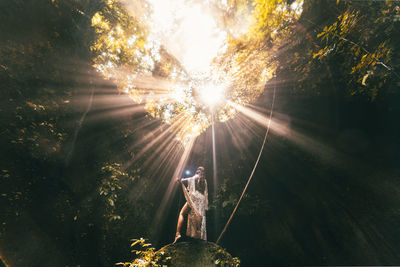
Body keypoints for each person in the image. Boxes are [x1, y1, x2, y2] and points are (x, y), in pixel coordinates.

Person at [173, 166, 208, 243]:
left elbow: (185, 180)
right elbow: (206, 194)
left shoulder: (194, 177)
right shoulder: (204, 181)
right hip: (201, 200)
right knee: (198, 218)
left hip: (194, 198)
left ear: (197, 171)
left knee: (181, 213)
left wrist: (179, 180)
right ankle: (198, 237)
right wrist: (205, 205)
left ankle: (177, 234)